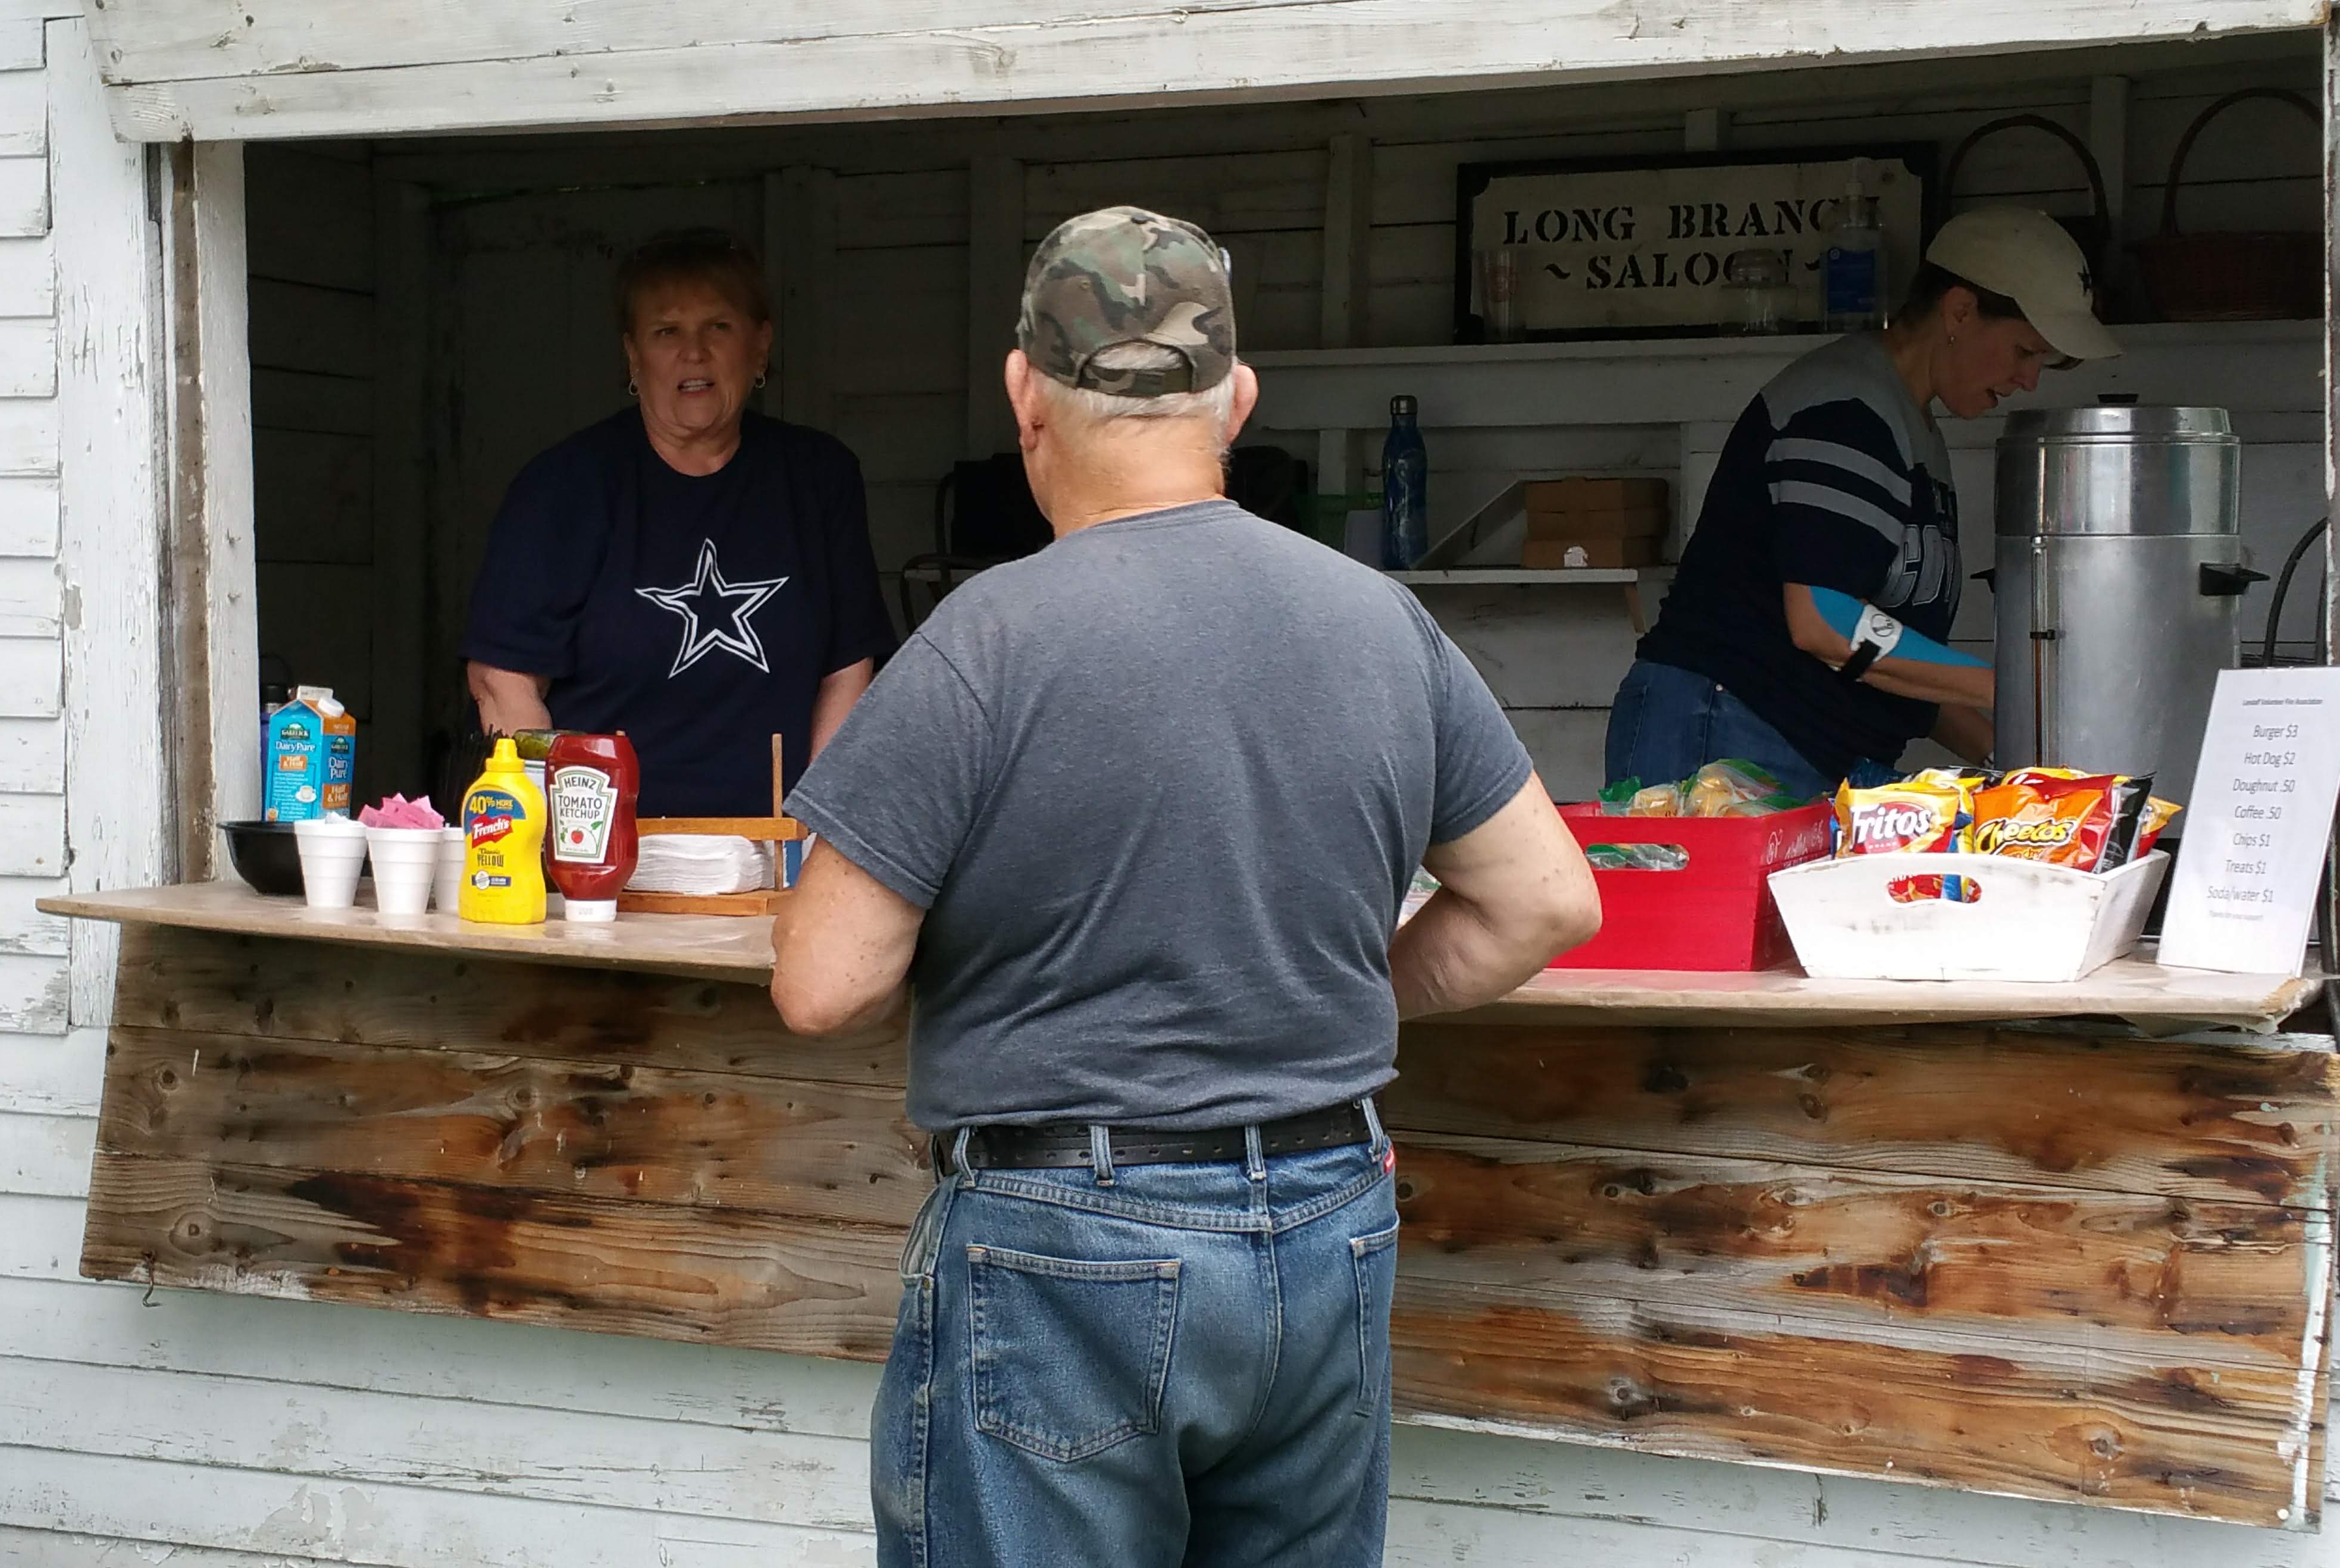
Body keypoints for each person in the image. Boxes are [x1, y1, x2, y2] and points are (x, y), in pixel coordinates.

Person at [771, 208, 1603, 1567]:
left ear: (1023, 393)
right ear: (1237, 399)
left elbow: (822, 982)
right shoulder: (1378, 620)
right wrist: (1320, 984)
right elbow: (1544, 903)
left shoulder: (984, 638)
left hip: (1064, 1246)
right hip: (1328, 1217)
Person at [1609, 206, 2121, 798]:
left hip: (1802, 750)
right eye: (2024, 351)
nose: (2028, 379)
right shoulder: (1846, 409)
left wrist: (2012, 760)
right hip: (1722, 736)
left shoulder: (1906, 421)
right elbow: (1824, 622)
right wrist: (2010, 686)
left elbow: (1882, 654)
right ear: (1960, 311)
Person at [465, 227, 899, 816]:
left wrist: (819, 833)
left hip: (779, 846)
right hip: (605, 845)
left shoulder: (818, 476)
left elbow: (848, 670)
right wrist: (574, 837)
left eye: (718, 327)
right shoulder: (563, 487)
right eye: (666, 332)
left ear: (760, 346)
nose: (693, 353)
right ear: (633, 355)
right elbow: (503, 681)